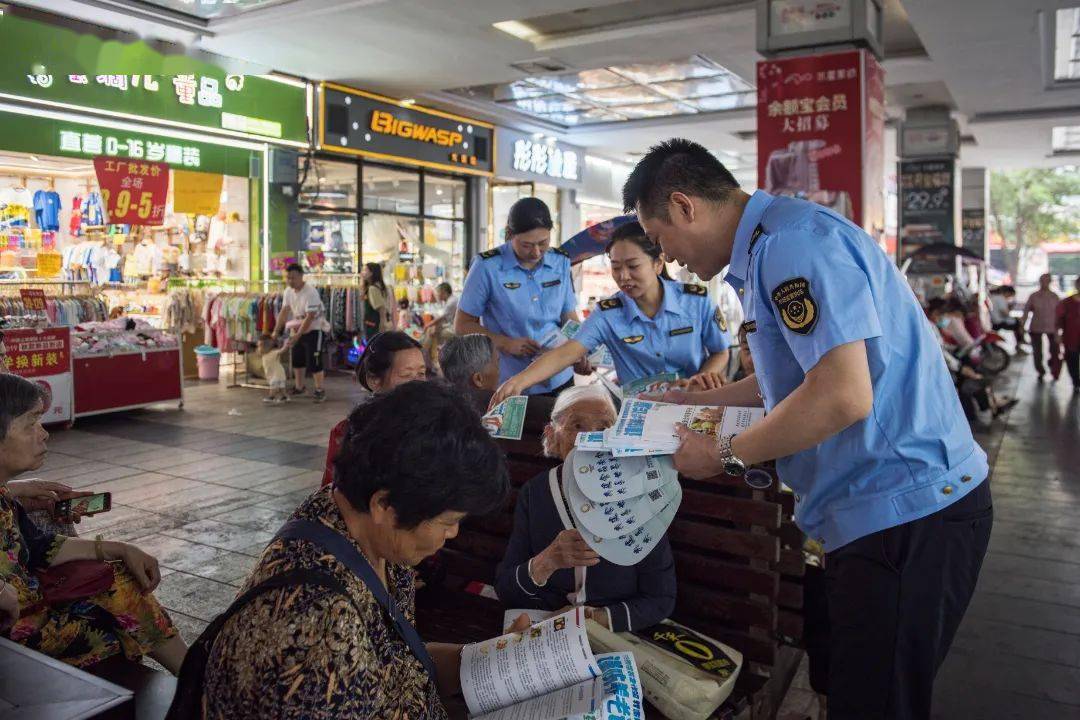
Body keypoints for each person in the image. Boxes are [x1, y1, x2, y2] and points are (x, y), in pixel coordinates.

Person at [623, 139, 992, 720]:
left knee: (877, 705)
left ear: (685, 205)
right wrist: (695, 401)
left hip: (906, 513)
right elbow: (791, 380)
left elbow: (842, 395)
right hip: (874, 514)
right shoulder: (772, 245)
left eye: (662, 242)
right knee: (851, 691)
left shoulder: (792, 246)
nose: (668, 261)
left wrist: (722, 453)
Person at [202, 382, 515, 719]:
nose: (452, 533)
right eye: (448, 521)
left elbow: (399, 665)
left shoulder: (357, 525)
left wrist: (498, 658)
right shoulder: (316, 638)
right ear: (384, 504)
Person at [0, 373, 187, 672]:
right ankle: (198, 681)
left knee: (120, 581)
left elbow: (40, 546)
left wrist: (119, 548)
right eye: (30, 423)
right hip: (18, 637)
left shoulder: (5, 498)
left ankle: (194, 678)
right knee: (120, 628)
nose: (44, 434)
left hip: (33, 615)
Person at [489, 220, 733, 405]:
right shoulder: (608, 313)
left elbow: (720, 352)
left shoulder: (696, 301)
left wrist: (701, 379)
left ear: (658, 263)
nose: (623, 277)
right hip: (638, 410)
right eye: (616, 268)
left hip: (692, 403)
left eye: (633, 266)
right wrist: (518, 381)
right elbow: (567, 353)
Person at [495, 385, 676, 633]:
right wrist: (547, 561)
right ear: (552, 436)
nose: (592, 438)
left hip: (614, 633)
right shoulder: (535, 493)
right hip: (546, 630)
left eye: (604, 428)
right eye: (577, 426)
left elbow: (661, 599)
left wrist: (592, 618)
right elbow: (506, 589)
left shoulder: (642, 496)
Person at [455, 197, 583, 396]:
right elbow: (462, 325)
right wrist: (505, 343)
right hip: (511, 380)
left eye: (543, 243)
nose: (536, 252)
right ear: (509, 234)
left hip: (559, 375)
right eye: (526, 245)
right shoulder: (487, 266)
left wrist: (580, 349)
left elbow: (569, 316)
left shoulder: (560, 262)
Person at [321, 332, 426, 487]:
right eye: (406, 375)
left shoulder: (438, 425)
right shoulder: (349, 433)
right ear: (374, 380)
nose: (418, 383)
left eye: (422, 373)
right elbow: (333, 495)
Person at [271, 263, 330, 403]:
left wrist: (297, 336)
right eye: (288, 278)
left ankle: (320, 390)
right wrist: (275, 330)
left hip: (315, 328)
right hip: (297, 327)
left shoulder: (311, 292)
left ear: (301, 276)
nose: (290, 281)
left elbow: (310, 317)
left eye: (293, 278)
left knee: (314, 360)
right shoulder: (288, 292)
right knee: (297, 358)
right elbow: (284, 312)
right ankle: (299, 387)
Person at [439, 333, 501, 411]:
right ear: (478, 379)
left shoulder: (444, 410)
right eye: (497, 363)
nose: (500, 370)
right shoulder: (499, 417)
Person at [1022, 273, 1061, 382]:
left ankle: (1053, 367)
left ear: (1050, 282)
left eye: (1047, 280)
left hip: (1052, 328)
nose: (1045, 283)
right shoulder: (1034, 296)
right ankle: (1040, 371)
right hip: (1036, 327)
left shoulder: (1055, 296)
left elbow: (1060, 314)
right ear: (1040, 282)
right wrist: (1022, 325)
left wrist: (1061, 330)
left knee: (1054, 351)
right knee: (1037, 352)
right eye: (1043, 280)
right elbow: (1026, 311)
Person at [422, 282, 458, 367]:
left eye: (439, 293)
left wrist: (428, 325)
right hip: (451, 326)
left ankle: (427, 357)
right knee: (432, 331)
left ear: (444, 292)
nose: (437, 295)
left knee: (432, 333)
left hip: (454, 329)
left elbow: (441, 317)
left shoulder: (451, 302)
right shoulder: (451, 300)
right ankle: (429, 360)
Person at [1057, 276, 1080, 393]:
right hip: (1071, 337)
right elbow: (1059, 319)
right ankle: (1076, 382)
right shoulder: (1066, 302)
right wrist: (1057, 333)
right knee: (1072, 361)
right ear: (1076, 285)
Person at [988, 285, 1025, 351]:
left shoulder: (993, 297)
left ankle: (1021, 341)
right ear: (1007, 292)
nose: (1009, 298)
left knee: (1017, 321)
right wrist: (1010, 309)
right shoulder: (1000, 298)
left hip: (992, 320)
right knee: (1018, 323)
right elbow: (1005, 313)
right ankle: (1020, 342)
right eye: (1010, 296)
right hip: (999, 321)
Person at [361, 262, 391, 340]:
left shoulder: (372, 289)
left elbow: (381, 308)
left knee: (373, 347)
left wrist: (382, 325)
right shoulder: (380, 286)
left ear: (371, 273)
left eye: (365, 270)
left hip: (374, 325)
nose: (362, 272)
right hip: (376, 324)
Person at [259, 334, 289, 405]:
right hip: (278, 374)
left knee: (273, 386)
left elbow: (282, 351)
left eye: (260, 346)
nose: (259, 348)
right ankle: (285, 397)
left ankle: (271, 397)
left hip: (276, 374)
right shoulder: (264, 355)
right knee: (282, 387)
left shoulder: (273, 353)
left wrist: (287, 344)